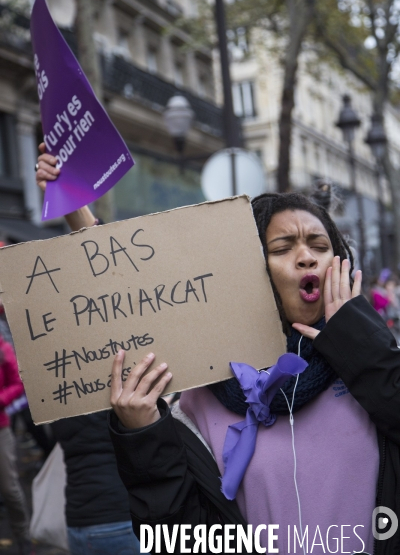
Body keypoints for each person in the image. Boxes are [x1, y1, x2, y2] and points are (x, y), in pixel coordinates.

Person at [37, 155, 399, 553]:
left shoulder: (375, 370)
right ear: (247, 269)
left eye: (319, 245)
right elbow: (134, 295)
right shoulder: (199, 397)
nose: (307, 256)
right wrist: (143, 436)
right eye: (282, 247)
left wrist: (361, 342)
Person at [35, 146, 142, 555]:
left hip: (79, 523)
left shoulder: (50, 365)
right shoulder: (121, 369)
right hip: (125, 520)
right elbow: (107, 280)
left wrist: (68, 196)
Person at [0, 334, 31, 555]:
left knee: (10, 490)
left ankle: (24, 540)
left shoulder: (2, 348)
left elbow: (17, 385)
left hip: (1, 428)